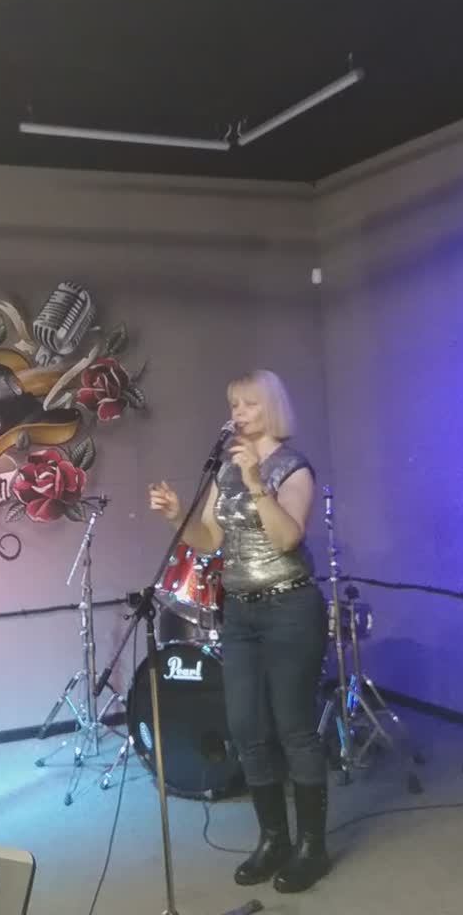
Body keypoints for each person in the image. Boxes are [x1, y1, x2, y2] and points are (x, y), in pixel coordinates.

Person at [149, 369, 329, 894]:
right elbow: (209, 540)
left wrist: (256, 483)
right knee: (246, 726)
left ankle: (312, 848)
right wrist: (177, 516)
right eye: (233, 404)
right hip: (241, 613)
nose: (238, 414)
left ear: (270, 408)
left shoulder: (294, 467)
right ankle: (273, 839)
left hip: (290, 606)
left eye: (248, 404)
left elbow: (288, 538)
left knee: (294, 727)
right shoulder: (226, 468)